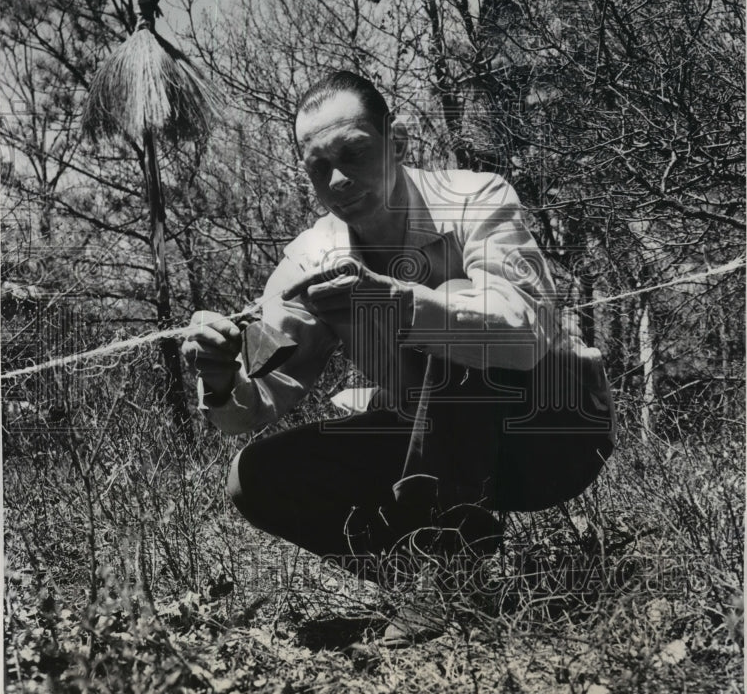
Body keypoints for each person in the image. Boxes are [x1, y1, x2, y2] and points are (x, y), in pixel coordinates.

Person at [182, 70, 616, 645]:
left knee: (461, 309)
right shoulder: (309, 259)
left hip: (554, 431)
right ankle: (436, 582)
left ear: (399, 142)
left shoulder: (479, 197)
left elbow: (523, 334)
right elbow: (259, 400)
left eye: (354, 154)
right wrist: (218, 377)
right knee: (253, 478)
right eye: (317, 168)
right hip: (427, 451)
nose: (337, 181)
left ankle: (450, 577)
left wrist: (399, 302)